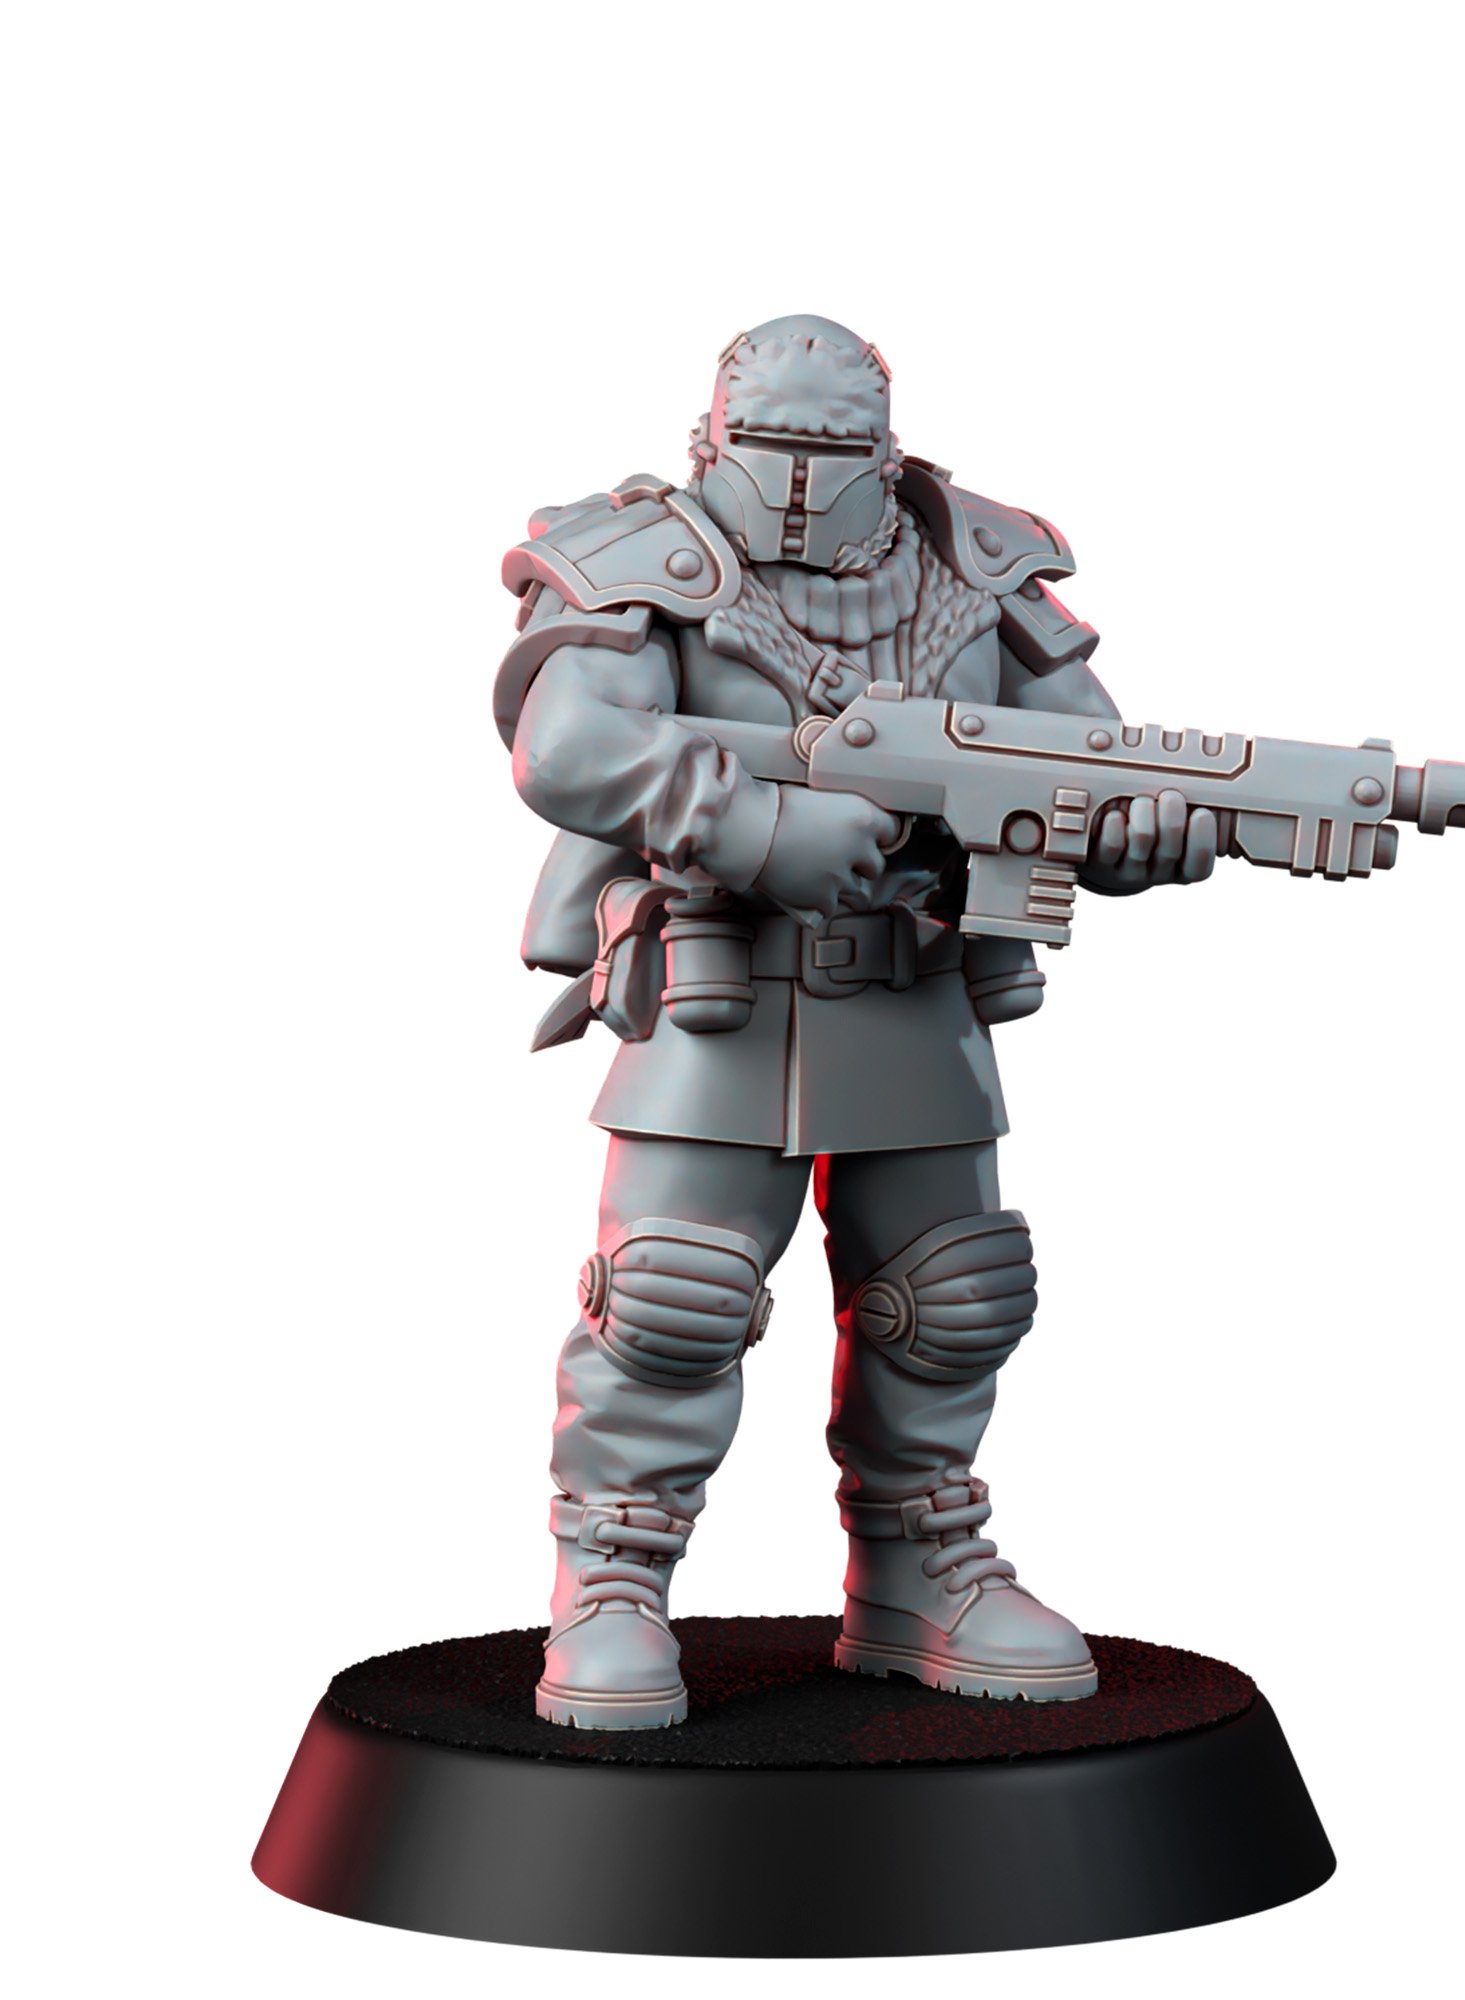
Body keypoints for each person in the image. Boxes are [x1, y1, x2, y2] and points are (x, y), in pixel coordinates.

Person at [495, 315, 1216, 1728]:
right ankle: (613, 1580)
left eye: (836, 449)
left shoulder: (975, 566)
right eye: (775, 446)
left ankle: (919, 1566)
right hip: (716, 983)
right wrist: (757, 826)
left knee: (952, 1299)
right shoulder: (641, 558)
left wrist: (1138, 826)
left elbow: (1089, 750)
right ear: (713, 440)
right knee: (674, 1297)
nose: (804, 479)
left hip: (920, 976)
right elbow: (569, 745)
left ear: (886, 451)